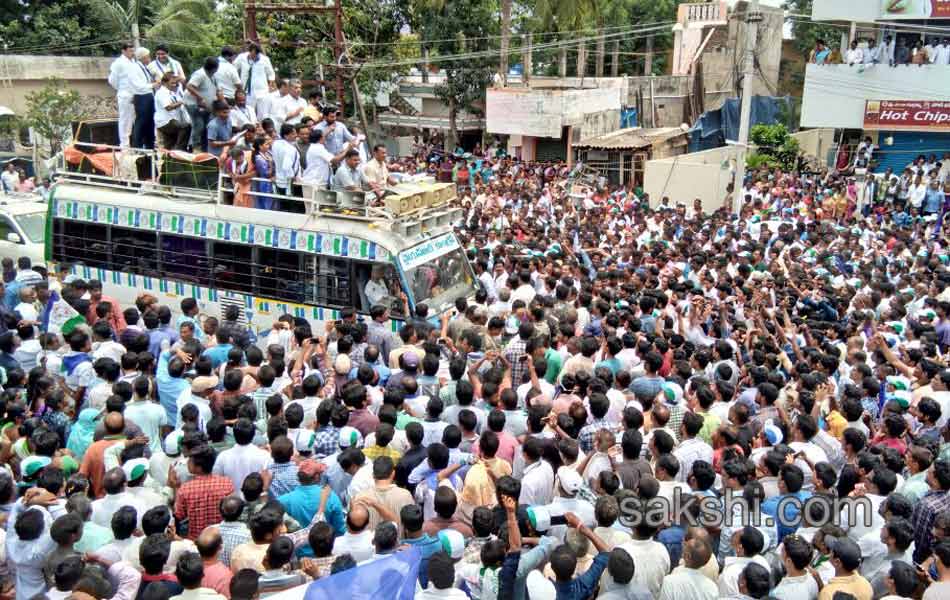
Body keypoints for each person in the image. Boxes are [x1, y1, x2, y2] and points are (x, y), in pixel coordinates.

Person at [184, 57, 220, 152]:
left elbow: (218, 91)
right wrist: (200, 97)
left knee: (207, 126)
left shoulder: (213, 76)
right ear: (214, 68)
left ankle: (205, 148)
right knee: (199, 125)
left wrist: (223, 103)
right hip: (193, 104)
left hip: (207, 106)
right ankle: (195, 147)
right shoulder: (200, 74)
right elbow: (189, 86)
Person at [130, 47, 160, 149]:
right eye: (148, 57)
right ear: (143, 57)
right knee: (141, 122)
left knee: (150, 122)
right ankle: (137, 146)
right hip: (141, 96)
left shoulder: (144, 67)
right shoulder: (134, 68)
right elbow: (138, 85)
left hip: (148, 95)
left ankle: (149, 145)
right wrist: (153, 85)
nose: (149, 59)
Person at [108, 43, 137, 147]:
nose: (132, 53)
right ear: (123, 51)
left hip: (135, 94)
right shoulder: (118, 63)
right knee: (125, 120)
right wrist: (122, 90)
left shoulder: (134, 62)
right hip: (125, 94)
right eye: (130, 51)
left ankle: (134, 144)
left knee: (135, 120)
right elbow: (112, 80)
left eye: (133, 51)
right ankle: (124, 145)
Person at [155, 73, 192, 151]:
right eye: (172, 83)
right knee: (185, 126)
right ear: (165, 83)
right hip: (166, 121)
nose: (174, 85)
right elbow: (168, 107)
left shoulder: (171, 92)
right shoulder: (162, 93)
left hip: (173, 120)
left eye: (175, 83)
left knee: (169, 145)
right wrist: (182, 102)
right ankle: (180, 150)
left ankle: (170, 157)